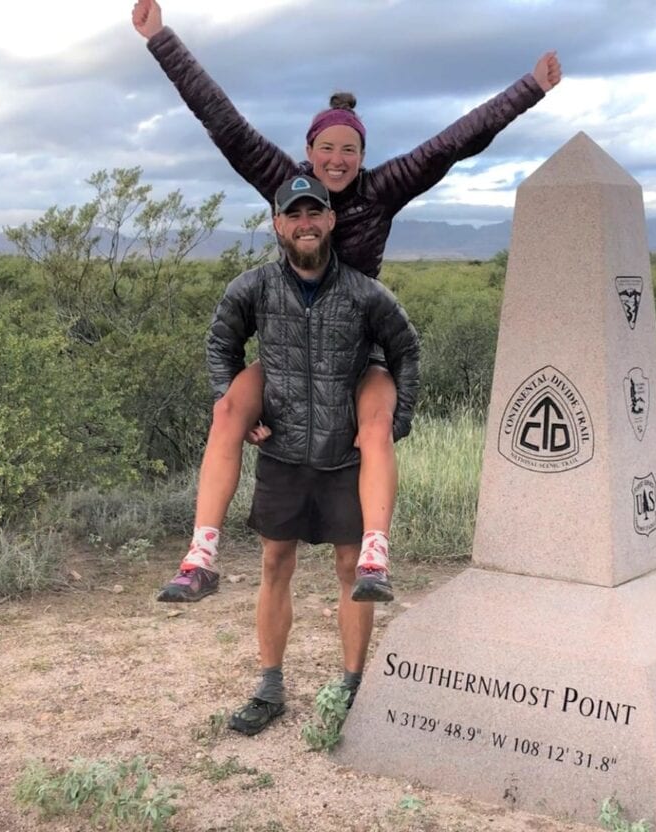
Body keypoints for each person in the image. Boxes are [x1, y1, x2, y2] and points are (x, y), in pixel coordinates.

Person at [132, 0, 561, 605]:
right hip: (288, 340)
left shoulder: (383, 190)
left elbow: (454, 143)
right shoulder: (284, 182)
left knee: (377, 425)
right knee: (228, 410)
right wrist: (160, 39)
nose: (337, 160)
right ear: (309, 151)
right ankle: (200, 555)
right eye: (326, 149)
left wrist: (529, 90)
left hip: (355, 352)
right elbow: (222, 121)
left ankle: (375, 556)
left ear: (361, 155)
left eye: (349, 151)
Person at [209, 174, 420, 734]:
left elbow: (406, 349)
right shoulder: (252, 288)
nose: (305, 223)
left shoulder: (365, 293)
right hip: (283, 450)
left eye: (315, 212)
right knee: (274, 564)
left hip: (344, 455)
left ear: (330, 220)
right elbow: (221, 343)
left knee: (352, 569)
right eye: (293, 214)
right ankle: (270, 687)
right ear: (278, 224)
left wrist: (395, 422)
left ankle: (351, 689)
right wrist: (234, 402)